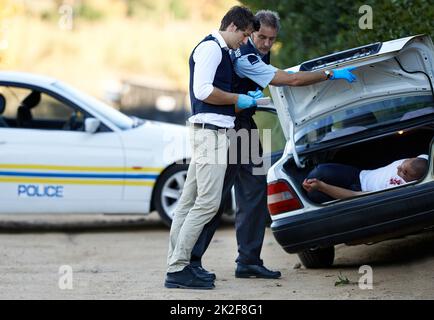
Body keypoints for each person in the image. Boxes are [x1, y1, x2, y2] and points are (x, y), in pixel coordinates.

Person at [190, 10, 358, 280]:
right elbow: (289, 80)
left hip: (244, 126)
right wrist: (330, 74)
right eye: (261, 37)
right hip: (226, 130)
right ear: (249, 32)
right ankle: (191, 260)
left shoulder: (256, 50)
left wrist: (250, 96)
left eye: (272, 39)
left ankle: (248, 260)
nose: (266, 44)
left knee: (255, 190)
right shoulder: (242, 53)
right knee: (215, 197)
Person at [165, 6, 258, 290]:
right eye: (244, 35)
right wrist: (237, 99)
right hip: (210, 134)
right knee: (207, 203)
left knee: (189, 200)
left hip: (211, 132)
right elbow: (202, 91)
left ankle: (179, 263)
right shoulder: (212, 49)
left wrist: (239, 98)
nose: (245, 41)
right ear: (232, 26)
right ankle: (179, 267)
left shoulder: (221, 50)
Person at [302, 155, 429, 202]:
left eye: (404, 172)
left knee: (315, 196)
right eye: (402, 164)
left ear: (414, 181)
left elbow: (354, 195)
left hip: (360, 190)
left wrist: (322, 186)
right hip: (359, 174)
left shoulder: (399, 189)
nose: (398, 169)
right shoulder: (423, 159)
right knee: (319, 171)